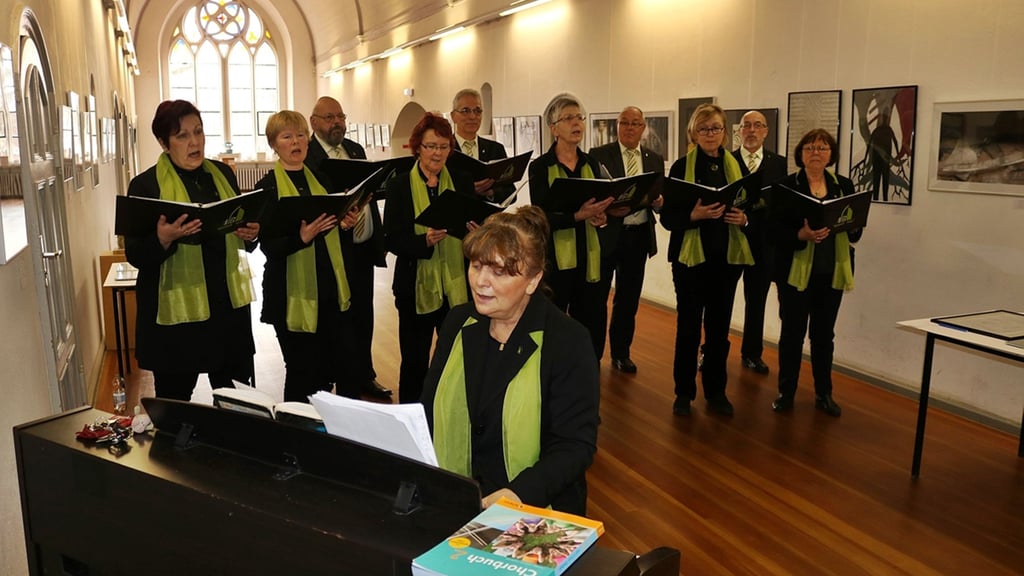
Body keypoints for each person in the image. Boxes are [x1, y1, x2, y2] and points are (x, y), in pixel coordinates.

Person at [421, 206, 599, 515]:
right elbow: (428, 410)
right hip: (458, 500)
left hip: (536, 506)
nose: (481, 281)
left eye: (499, 272)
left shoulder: (568, 340)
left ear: (533, 280)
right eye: (477, 265)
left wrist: (519, 494)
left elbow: (574, 446)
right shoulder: (458, 322)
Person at [125, 100, 260, 401]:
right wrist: (162, 239)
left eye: (198, 131)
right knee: (175, 406)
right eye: (182, 135)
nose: (195, 142)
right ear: (164, 143)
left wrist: (251, 234)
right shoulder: (146, 187)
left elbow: (242, 231)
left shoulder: (223, 175)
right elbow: (135, 254)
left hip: (226, 312)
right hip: (176, 321)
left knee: (238, 404)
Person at [256, 110, 362, 402]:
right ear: (274, 144)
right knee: (302, 372)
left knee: (337, 366)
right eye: (287, 136)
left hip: (330, 292)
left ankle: (331, 425)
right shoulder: (267, 188)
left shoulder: (322, 180)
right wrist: (301, 238)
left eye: (301, 135)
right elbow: (269, 247)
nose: (296, 141)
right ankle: (296, 426)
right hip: (289, 295)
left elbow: (332, 230)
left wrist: (344, 224)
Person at [662, 103, 753, 417]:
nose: (710, 134)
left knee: (718, 330)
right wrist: (694, 215)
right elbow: (668, 219)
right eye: (703, 128)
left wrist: (744, 219)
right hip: (690, 263)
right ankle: (683, 393)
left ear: (725, 131)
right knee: (688, 328)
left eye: (715, 128)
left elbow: (752, 208)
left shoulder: (737, 167)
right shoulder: (680, 168)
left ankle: (716, 391)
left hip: (726, 261)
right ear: (694, 133)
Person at [769, 129, 862, 417]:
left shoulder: (843, 185)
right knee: (792, 335)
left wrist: (849, 224)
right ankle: (786, 392)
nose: (816, 153)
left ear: (831, 154)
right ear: (800, 153)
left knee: (824, 336)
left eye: (822, 148)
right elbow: (773, 231)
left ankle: (824, 394)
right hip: (794, 273)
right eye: (809, 147)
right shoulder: (786, 186)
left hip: (831, 272)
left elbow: (855, 231)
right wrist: (801, 234)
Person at [383, 113, 475, 404]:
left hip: (456, 286)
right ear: (418, 148)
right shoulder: (399, 186)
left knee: (455, 358)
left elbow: (471, 223)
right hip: (415, 288)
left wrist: (476, 231)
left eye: (443, 146)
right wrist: (423, 241)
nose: (437, 153)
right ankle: (411, 416)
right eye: (431, 146)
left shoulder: (461, 181)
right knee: (414, 361)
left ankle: (449, 412)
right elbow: (391, 239)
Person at [306, 96, 392, 400]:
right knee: (336, 320)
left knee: (363, 315)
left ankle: (364, 375)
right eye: (329, 117)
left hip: (362, 247)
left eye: (341, 117)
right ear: (314, 122)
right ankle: (333, 378)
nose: (337, 123)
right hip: (332, 250)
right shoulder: (309, 155)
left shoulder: (355, 150)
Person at [528, 93, 614, 360]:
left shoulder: (592, 163)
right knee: (553, 325)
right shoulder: (541, 167)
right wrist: (578, 216)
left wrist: (600, 217)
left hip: (590, 258)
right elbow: (540, 217)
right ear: (554, 129)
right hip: (555, 261)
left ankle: (588, 372)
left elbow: (600, 205)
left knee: (591, 324)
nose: (577, 123)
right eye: (568, 118)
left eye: (579, 117)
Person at [588, 106, 665, 374]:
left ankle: (621, 353)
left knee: (628, 299)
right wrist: (610, 209)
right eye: (625, 123)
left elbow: (658, 195)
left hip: (639, 235)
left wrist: (659, 203)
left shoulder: (654, 159)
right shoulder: (599, 155)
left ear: (643, 127)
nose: (630, 128)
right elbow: (593, 194)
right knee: (598, 298)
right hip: (608, 234)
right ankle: (593, 356)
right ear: (617, 126)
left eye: (635, 123)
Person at [731, 110, 788, 375]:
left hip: (764, 244)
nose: (752, 130)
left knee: (757, 302)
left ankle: (752, 353)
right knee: (719, 301)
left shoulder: (780, 165)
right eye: (746, 125)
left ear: (766, 131)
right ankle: (711, 351)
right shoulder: (727, 161)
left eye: (758, 125)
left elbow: (781, 206)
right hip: (731, 241)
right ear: (739, 131)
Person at [450, 88, 513, 201]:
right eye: (465, 111)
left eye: (477, 111)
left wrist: (491, 192)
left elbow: (510, 192)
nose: (472, 116)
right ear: (453, 116)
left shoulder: (495, 149)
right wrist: (468, 189)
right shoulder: (445, 150)